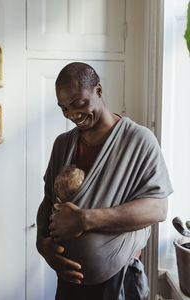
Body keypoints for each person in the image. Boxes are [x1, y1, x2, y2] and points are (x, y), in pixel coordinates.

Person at [36, 62, 173, 300]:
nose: (71, 115)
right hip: (69, 284)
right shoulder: (63, 144)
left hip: (118, 282)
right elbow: (48, 201)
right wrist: (42, 243)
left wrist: (85, 220)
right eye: (64, 108)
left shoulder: (139, 141)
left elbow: (157, 209)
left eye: (78, 104)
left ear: (98, 91)